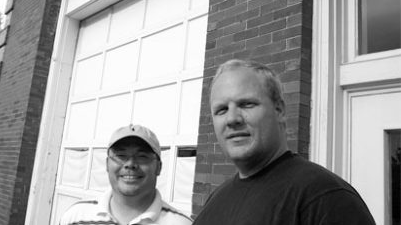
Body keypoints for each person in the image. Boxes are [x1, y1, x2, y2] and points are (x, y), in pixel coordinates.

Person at [193, 59, 376, 225]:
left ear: (279, 109)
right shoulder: (217, 198)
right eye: (221, 110)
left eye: (247, 104)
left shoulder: (326, 198)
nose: (232, 119)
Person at [59, 124, 192, 225]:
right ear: (107, 164)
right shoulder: (75, 217)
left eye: (142, 156)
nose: (130, 164)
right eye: (121, 156)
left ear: (158, 167)